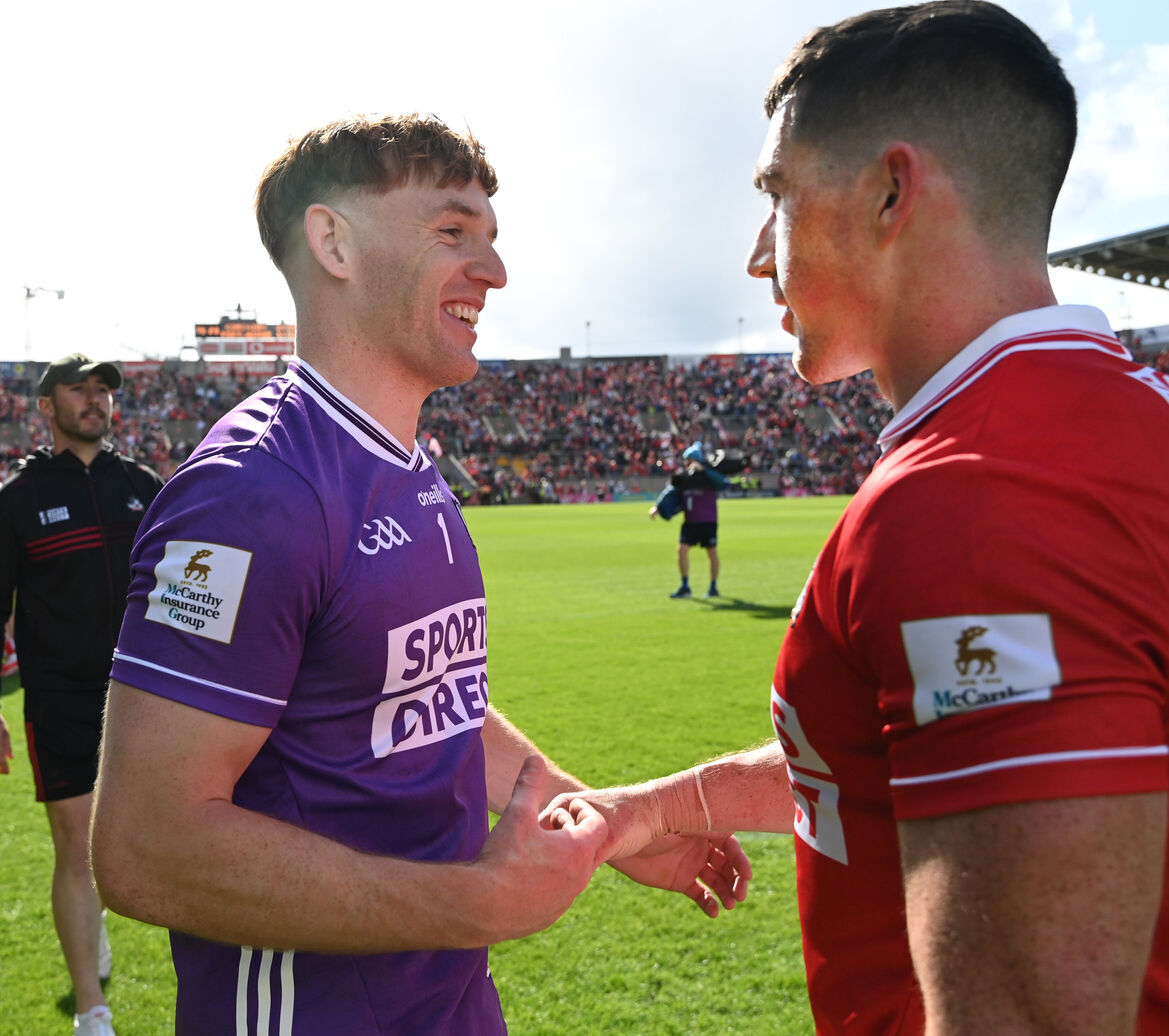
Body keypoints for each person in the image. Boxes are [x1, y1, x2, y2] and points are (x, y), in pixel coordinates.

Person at [544, 3, 1169, 1033]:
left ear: (893, 190)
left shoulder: (981, 492)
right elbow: (908, 762)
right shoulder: (1133, 420)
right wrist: (655, 810)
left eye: (779, 196)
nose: (762, 252)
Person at [89, 114, 748, 1036]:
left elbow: (434, 705)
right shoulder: (251, 493)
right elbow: (145, 851)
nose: (495, 271)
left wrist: (597, 826)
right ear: (334, 244)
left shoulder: (410, 468)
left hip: (449, 1005)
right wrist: (477, 904)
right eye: (451, 232)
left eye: (490, 238)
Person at [0, 353, 164, 1036]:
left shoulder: (144, 485)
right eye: (79, 389)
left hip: (148, 698)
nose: (95, 400)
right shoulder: (16, 500)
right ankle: (92, 1012)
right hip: (62, 700)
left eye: (103, 390)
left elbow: (183, 590)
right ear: (46, 408)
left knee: (168, 840)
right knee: (77, 848)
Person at [649, 442, 729, 598]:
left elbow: (723, 483)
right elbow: (670, 491)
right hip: (690, 521)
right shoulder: (685, 477)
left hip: (708, 521)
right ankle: (685, 587)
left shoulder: (709, 476)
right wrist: (657, 507)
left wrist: (704, 470)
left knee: (711, 552)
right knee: (682, 550)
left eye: (689, 461)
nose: (686, 464)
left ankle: (713, 587)